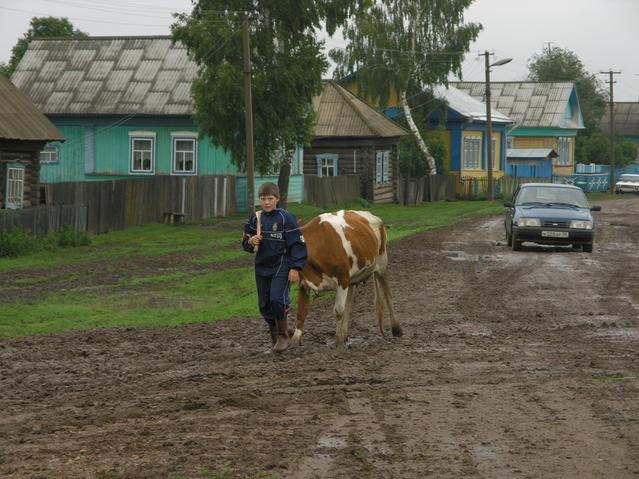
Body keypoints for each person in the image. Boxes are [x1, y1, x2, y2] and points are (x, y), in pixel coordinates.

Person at [242, 183, 307, 352]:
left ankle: (283, 336)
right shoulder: (255, 218)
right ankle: (275, 339)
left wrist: (295, 268)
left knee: (277, 299)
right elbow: (245, 242)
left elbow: (298, 245)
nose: (266, 202)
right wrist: (250, 242)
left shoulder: (287, 218)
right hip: (262, 266)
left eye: (270, 199)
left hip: (282, 265)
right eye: (263, 199)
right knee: (264, 306)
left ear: (277, 199)